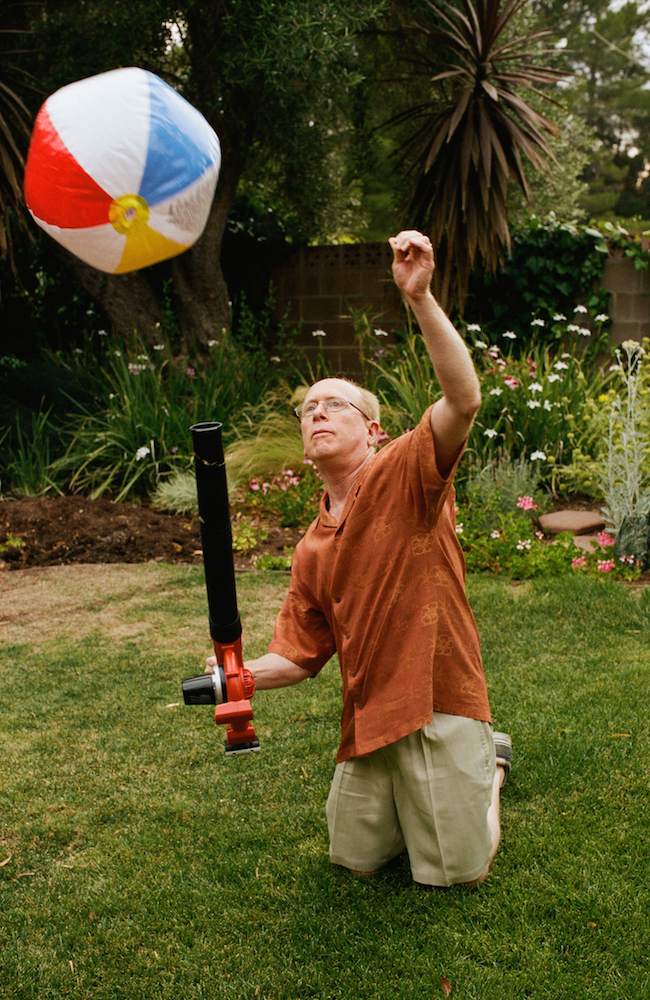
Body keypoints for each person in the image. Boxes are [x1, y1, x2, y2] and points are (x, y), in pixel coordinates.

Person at [210, 230, 511, 887]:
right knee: (352, 860)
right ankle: (428, 803)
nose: (316, 413)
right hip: (369, 716)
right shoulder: (312, 545)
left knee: (453, 874)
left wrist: (421, 298)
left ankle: (487, 769)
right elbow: (298, 656)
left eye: (334, 405)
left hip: (438, 701)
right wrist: (236, 678)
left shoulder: (405, 474)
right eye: (307, 409)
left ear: (371, 431)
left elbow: (463, 402)